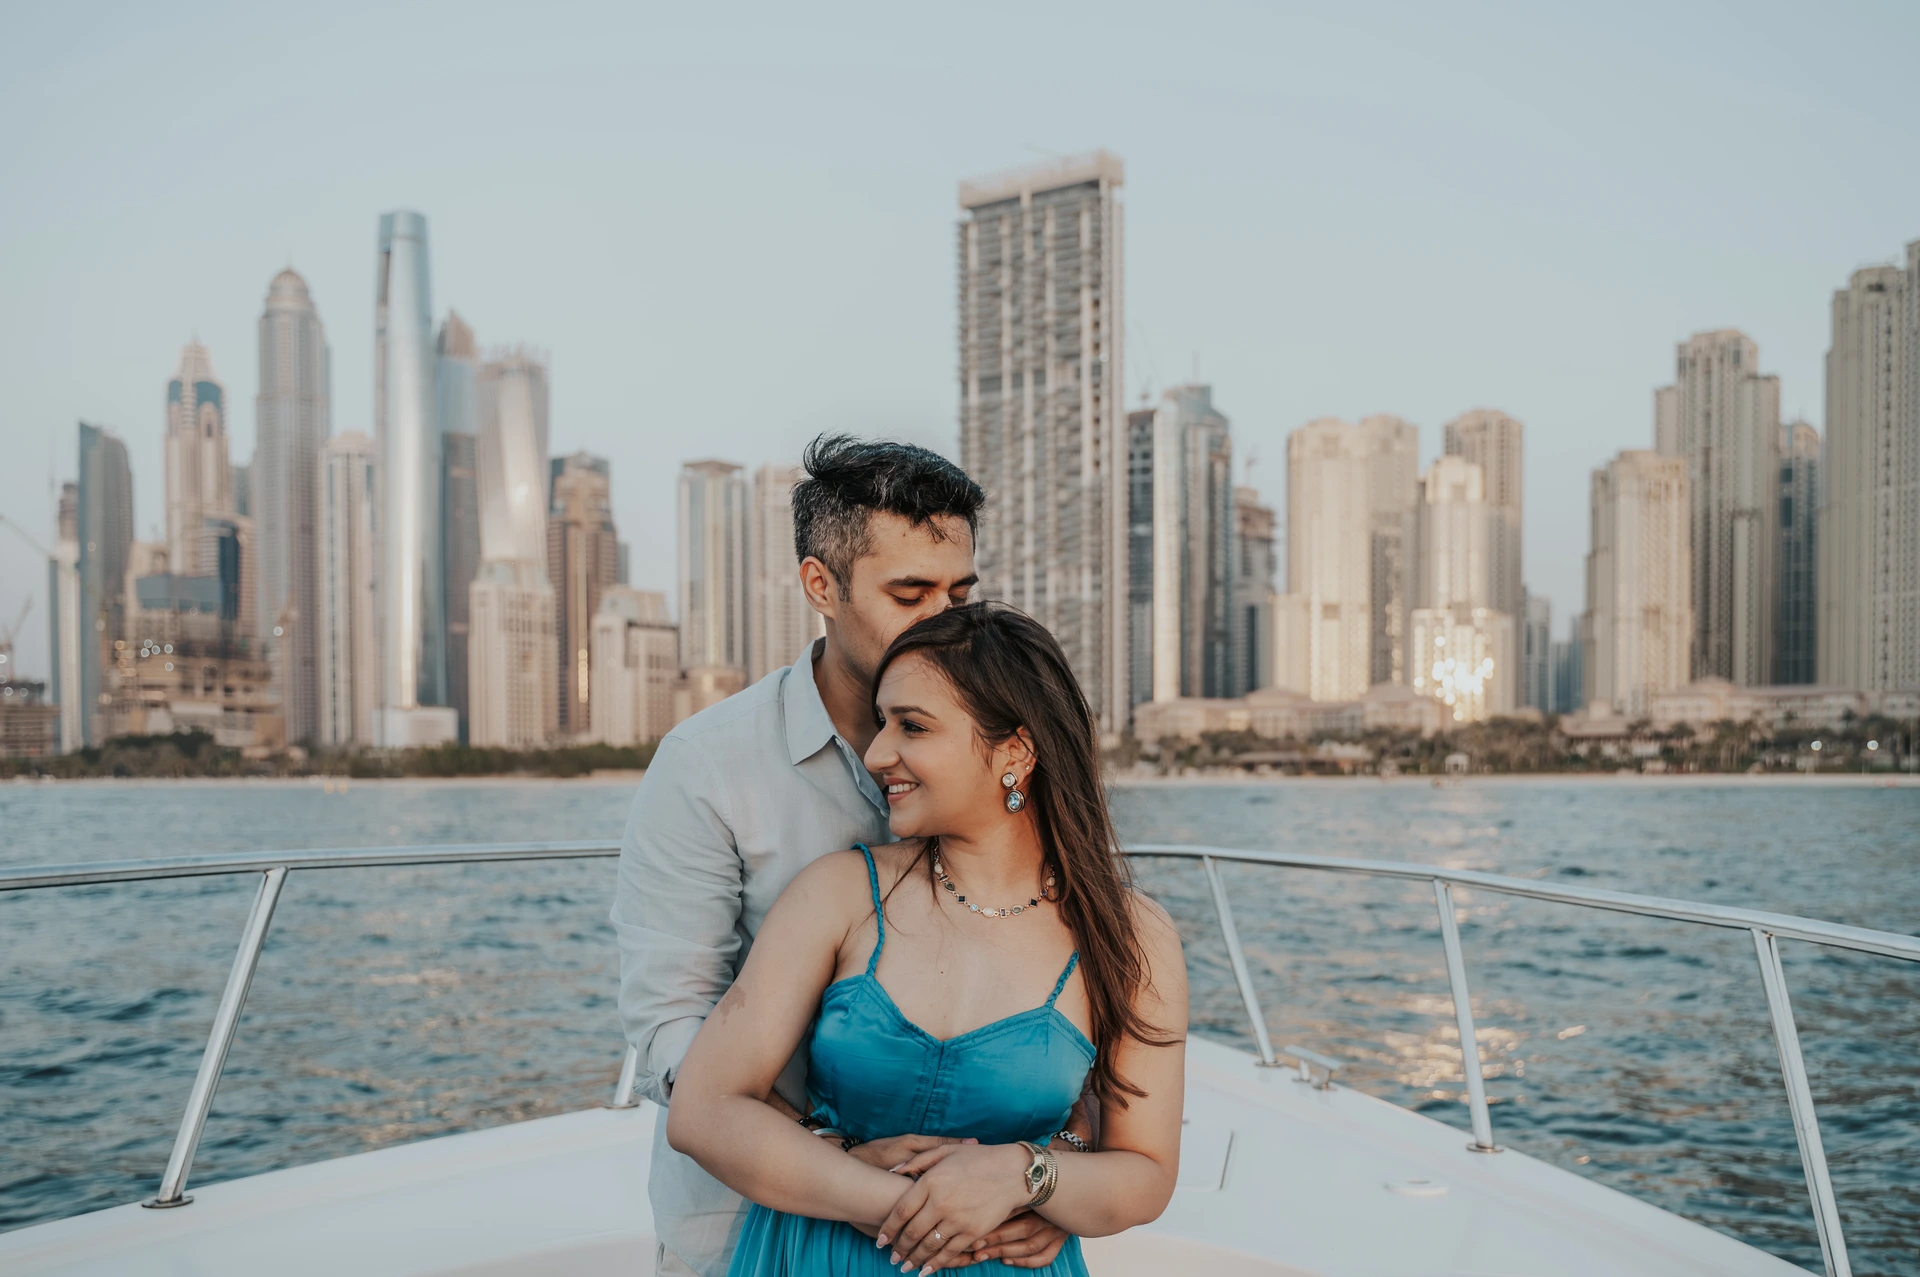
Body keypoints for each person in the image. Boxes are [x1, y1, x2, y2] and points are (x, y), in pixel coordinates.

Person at [613, 436, 1080, 1275]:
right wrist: (825, 1153)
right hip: (751, 1217)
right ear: (819, 585)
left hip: (982, 1233)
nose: (944, 620)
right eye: (910, 593)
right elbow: (669, 1024)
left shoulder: (1012, 753)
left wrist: (1048, 1177)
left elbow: (1081, 996)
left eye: (960, 592)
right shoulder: (707, 767)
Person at [667, 603, 1189, 1276]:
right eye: (881, 723)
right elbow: (703, 1111)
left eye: (911, 726)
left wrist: (1026, 1176)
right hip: (820, 1254)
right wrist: (899, 1202)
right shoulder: (840, 893)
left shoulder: (1131, 935)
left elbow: (1146, 1172)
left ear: (1016, 752)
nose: (877, 754)